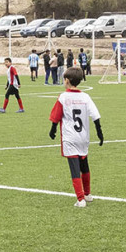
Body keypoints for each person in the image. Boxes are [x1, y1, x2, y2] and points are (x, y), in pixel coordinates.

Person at [47, 68, 104, 208]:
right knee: (84, 165)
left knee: (74, 167)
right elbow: (95, 115)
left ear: (67, 80)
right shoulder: (85, 97)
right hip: (83, 137)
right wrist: (100, 133)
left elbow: (56, 117)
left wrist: (52, 130)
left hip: (70, 137)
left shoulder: (63, 97)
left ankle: (80, 199)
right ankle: (88, 194)